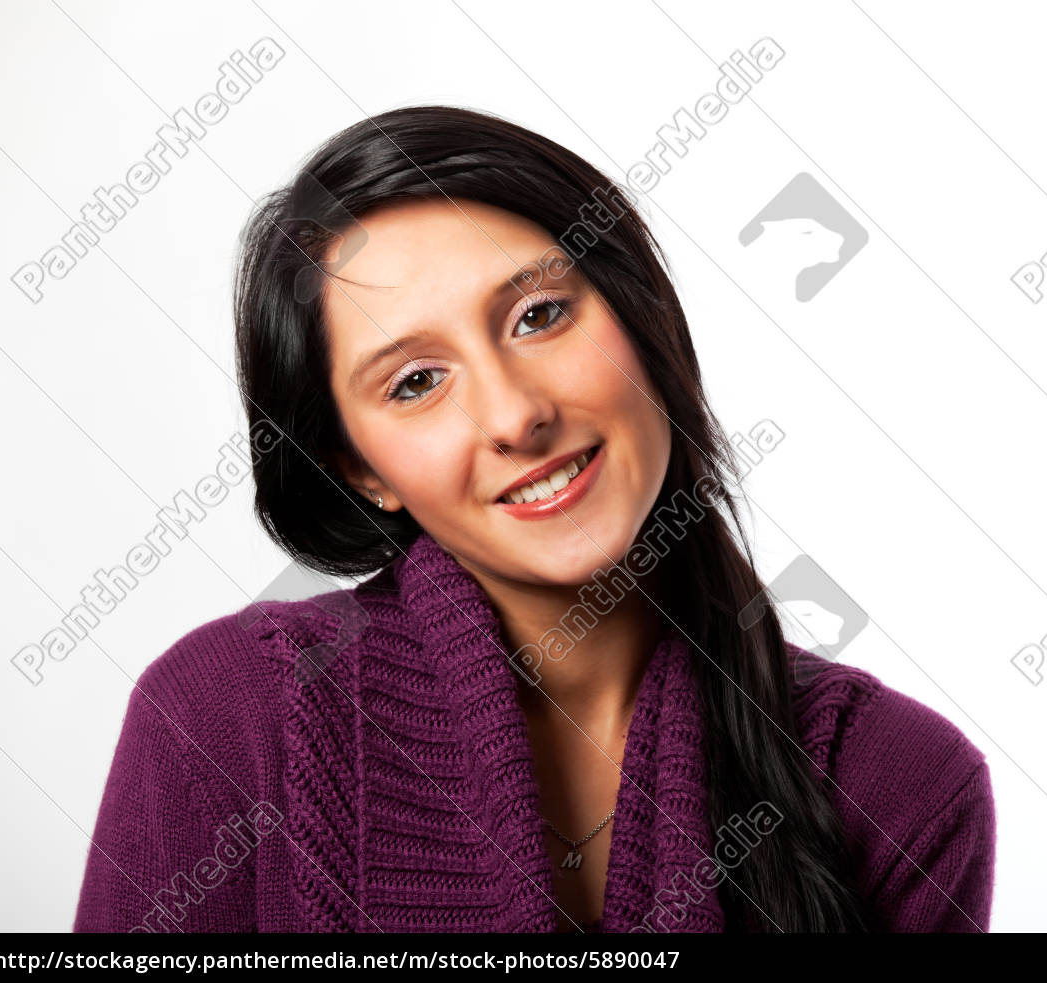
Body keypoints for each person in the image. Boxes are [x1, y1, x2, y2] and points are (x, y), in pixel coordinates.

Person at [73, 106, 995, 933]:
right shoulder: (225, 719)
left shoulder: (900, 784)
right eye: (416, 382)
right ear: (362, 467)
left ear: (641, 316)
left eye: (539, 314)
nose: (516, 416)